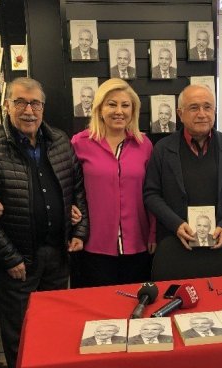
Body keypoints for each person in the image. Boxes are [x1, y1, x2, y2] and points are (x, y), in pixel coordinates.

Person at [0, 77, 89, 368]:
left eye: (35, 103)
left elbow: (78, 188)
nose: (28, 110)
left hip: (57, 254)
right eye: (20, 102)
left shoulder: (59, 140)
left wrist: (79, 230)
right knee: (20, 334)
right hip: (18, 260)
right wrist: (10, 258)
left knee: (56, 325)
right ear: (6, 105)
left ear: (43, 107)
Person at [143, 84, 222, 280]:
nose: (202, 114)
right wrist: (176, 224)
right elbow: (151, 194)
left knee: (217, 297)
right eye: (194, 107)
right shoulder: (162, 149)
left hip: (218, 245)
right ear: (180, 114)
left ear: (214, 111)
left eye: (207, 107)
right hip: (174, 244)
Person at [71, 78, 155, 287]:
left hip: (137, 243)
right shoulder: (79, 143)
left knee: (135, 302)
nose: (119, 111)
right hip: (93, 244)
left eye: (125, 105)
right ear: (100, 109)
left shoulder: (144, 145)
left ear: (133, 111)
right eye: (112, 104)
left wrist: (153, 233)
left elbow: (152, 193)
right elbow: (68, 187)